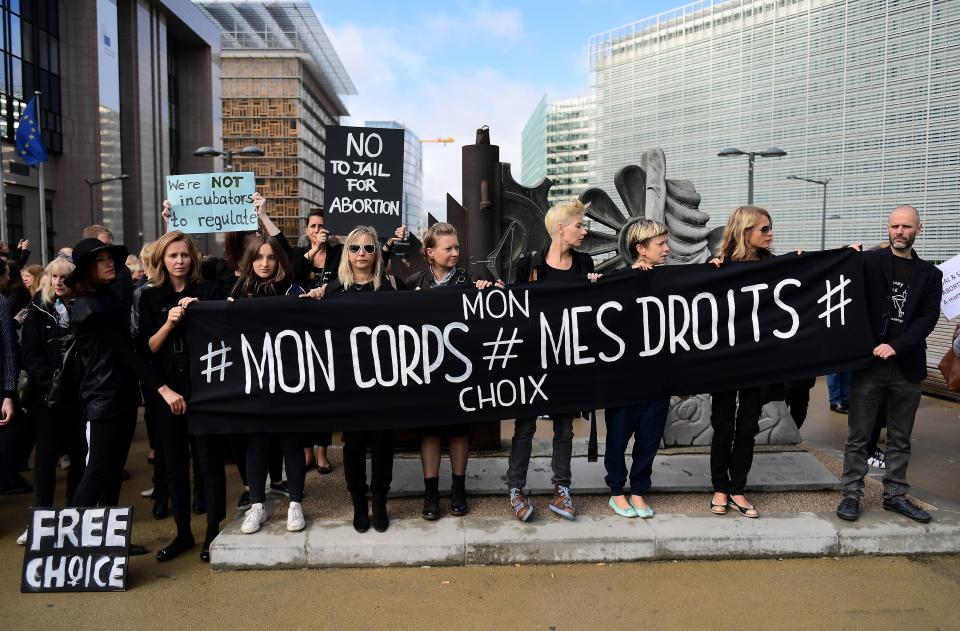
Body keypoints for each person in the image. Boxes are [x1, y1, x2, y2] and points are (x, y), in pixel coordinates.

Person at [66, 238, 187, 556]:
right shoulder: (91, 307)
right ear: (86, 270)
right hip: (104, 398)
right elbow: (127, 355)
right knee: (98, 469)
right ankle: (67, 542)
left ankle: (110, 541)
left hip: (119, 396)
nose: (109, 263)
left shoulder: (104, 298)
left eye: (110, 258)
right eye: (100, 260)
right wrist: (163, 388)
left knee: (110, 471)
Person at [836, 205, 943, 523]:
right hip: (869, 365)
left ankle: (895, 496)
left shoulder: (931, 275)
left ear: (918, 229)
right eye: (895, 226)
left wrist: (896, 346)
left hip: (907, 366)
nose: (900, 231)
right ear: (888, 228)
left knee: (900, 437)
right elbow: (838, 281)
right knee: (859, 435)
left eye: (906, 226)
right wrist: (845, 255)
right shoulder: (868, 262)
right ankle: (851, 495)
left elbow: (928, 318)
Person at [304, 225, 405, 533]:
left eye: (369, 248)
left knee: (383, 443)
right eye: (355, 248)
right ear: (346, 253)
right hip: (348, 384)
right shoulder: (332, 291)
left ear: (377, 254)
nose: (362, 253)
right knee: (354, 445)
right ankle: (359, 504)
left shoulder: (391, 289)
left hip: (383, 383)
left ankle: (379, 501)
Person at [506, 199, 598, 522]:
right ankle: (515, 489)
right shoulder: (530, 264)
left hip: (568, 359)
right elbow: (510, 306)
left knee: (564, 428)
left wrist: (597, 291)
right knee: (525, 426)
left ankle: (562, 489)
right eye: (579, 225)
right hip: (533, 359)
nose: (584, 231)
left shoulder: (586, 264)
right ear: (561, 229)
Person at [138, 231, 222, 561]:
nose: (179, 261)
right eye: (172, 255)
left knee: (208, 464)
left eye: (185, 255)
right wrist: (170, 322)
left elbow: (224, 330)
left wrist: (203, 310)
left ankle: (213, 531)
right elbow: (147, 348)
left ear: (193, 258)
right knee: (173, 465)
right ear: (162, 259)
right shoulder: (150, 297)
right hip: (166, 390)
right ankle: (183, 532)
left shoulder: (207, 290)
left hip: (203, 388)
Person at [405, 222, 494, 520]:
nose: (455, 252)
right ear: (430, 252)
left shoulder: (471, 280)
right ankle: (431, 493)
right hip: (427, 369)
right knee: (429, 431)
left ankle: (458, 488)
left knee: (458, 431)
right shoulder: (415, 282)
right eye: (449, 248)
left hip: (460, 369)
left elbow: (492, 313)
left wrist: (490, 290)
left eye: (457, 247)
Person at [232, 233, 308, 535]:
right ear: (250, 261)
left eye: (271, 257)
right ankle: (257, 505)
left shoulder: (294, 290)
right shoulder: (239, 290)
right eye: (259, 257)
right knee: (257, 443)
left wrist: (314, 299)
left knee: (292, 442)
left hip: (289, 379)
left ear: (280, 260)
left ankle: (296, 504)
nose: (265, 263)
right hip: (255, 378)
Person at [707, 206, 778, 518]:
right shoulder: (719, 267)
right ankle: (720, 488)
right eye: (763, 229)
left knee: (748, 427)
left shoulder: (774, 266)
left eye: (769, 228)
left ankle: (738, 489)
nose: (769, 233)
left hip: (758, 360)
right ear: (744, 231)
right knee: (722, 425)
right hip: (724, 361)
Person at [603, 219, 671, 518]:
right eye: (661, 245)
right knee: (618, 438)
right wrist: (634, 281)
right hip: (622, 380)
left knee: (649, 437)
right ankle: (617, 492)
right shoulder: (617, 281)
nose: (667, 249)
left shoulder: (672, 280)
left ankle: (639, 490)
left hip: (657, 377)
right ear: (640, 249)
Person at [17, 257, 87, 544]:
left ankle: (75, 516)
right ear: (47, 278)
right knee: (45, 459)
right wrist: (53, 382)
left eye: (65, 277)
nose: (59, 282)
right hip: (46, 400)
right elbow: (30, 356)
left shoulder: (83, 307)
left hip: (78, 398)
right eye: (54, 276)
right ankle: (41, 519)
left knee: (79, 456)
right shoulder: (37, 310)